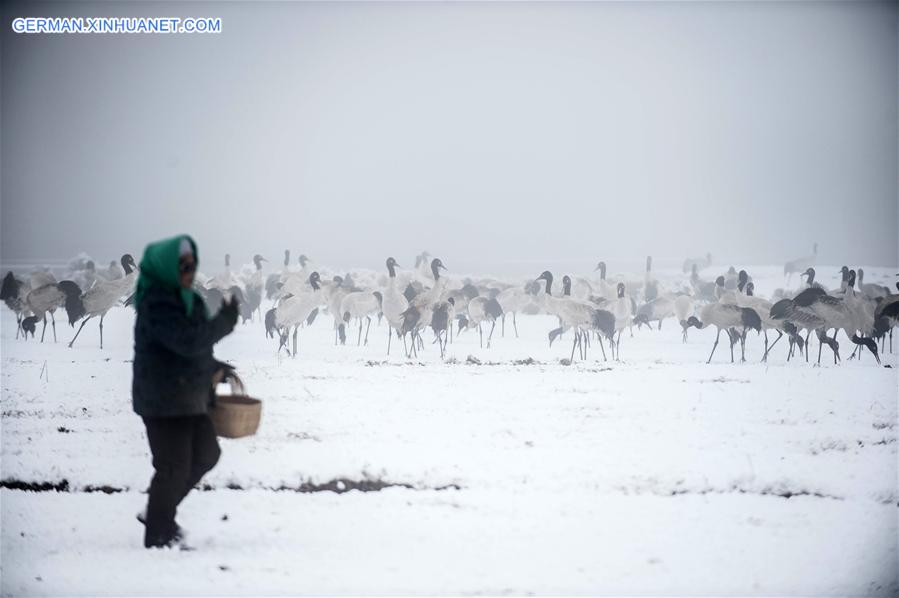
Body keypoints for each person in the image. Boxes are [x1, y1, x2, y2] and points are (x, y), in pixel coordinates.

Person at [131, 234, 239, 549]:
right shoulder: (158, 303)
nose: (189, 270)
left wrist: (216, 366)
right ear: (166, 266)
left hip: (188, 397)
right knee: (174, 466)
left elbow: (194, 348)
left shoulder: (187, 299)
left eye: (192, 264)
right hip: (162, 399)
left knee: (207, 454)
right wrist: (225, 322)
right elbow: (187, 341)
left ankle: (156, 511)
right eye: (182, 264)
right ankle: (158, 536)